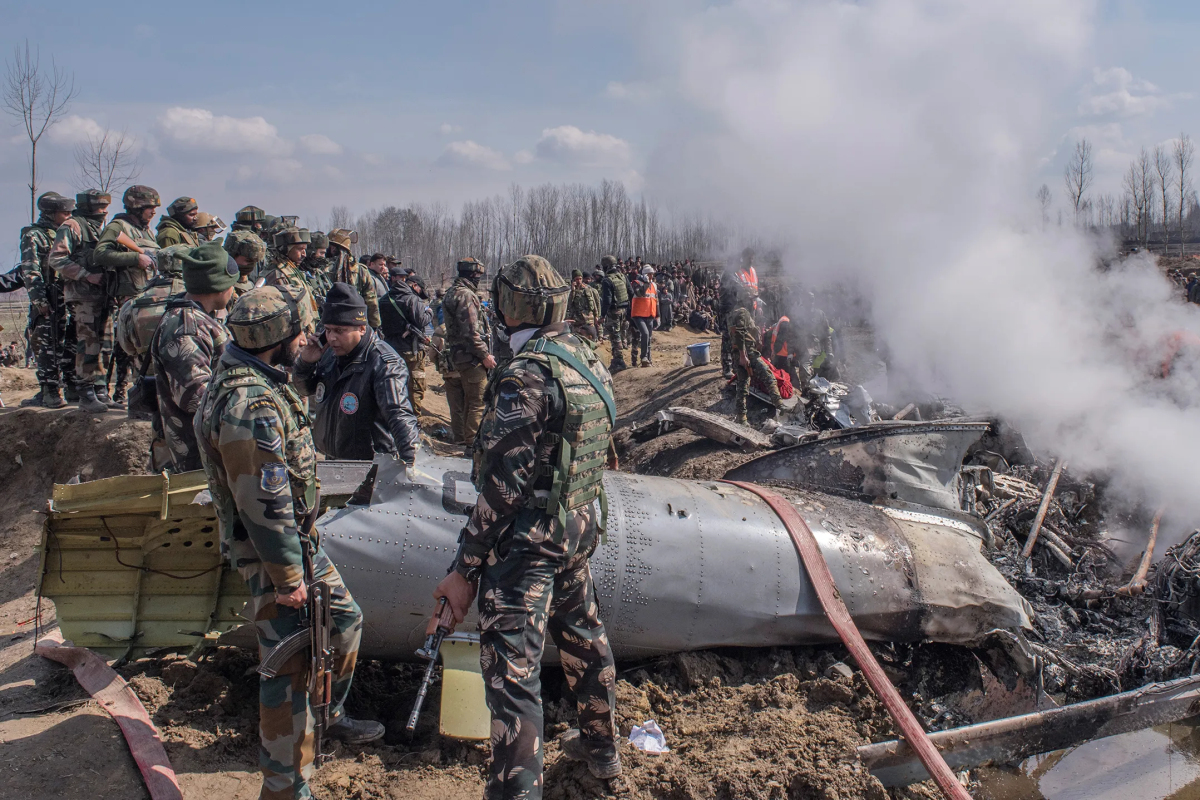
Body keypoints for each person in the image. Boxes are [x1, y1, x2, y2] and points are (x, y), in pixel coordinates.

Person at [428, 255, 621, 799]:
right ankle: (603, 751)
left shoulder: (525, 374)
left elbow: (504, 488)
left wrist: (466, 566)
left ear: (511, 307)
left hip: (528, 546)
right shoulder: (586, 357)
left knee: (513, 680)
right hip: (576, 529)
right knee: (584, 640)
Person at [195, 284, 383, 800]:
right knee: (289, 668)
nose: (307, 339)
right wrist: (287, 579)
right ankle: (284, 786)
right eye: (299, 332)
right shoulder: (248, 404)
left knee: (344, 622)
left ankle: (328, 714)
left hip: (297, 546)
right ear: (275, 340)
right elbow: (262, 500)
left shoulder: (258, 380)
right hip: (274, 556)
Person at [292, 283, 420, 463]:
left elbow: (399, 415)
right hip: (332, 459)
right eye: (328, 330)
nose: (332, 337)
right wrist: (306, 362)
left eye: (340, 331)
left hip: (370, 465)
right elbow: (304, 390)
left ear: (361, 328)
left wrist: (411, 464)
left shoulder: (384, 364)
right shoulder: (329, 354)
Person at [150, 243, 238, 472]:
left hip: (209, 452)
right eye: (231, 284)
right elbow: (196, 399)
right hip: (198, 460)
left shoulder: (198, 319)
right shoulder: (187, 329)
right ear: (219, 287)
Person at [93, 185, 161, 408]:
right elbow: (100, 253)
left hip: (146, 295)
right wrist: (134, 258)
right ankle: (122, 394)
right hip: (128, 298)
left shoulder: (146, 230)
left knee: (142, 350)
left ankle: (131, 394)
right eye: (149, 207)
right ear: (137, 206)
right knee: (128, 347)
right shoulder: (118, 226)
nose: (153, 212)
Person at [48, 189, 112, 412]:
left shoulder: (100, 228)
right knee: (88, 343)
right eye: (99, 206)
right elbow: (56, 258)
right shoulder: (73, 226)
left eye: (105, 206)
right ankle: (86, 393)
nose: (104, 211)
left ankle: (101, 389)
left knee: (105, 343)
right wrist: (86, 275)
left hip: (103, 295)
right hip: (83, 295)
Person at [18, 192, 78, 408]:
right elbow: (31, 270)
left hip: (71, 296)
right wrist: (40, 301)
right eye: (65, 213)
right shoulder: (34, 235)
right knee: (48, 345)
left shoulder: (69, 232)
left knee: (71, 343)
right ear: (51, 213)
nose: (69, 216)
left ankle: (73, 387)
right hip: (49, 298)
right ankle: (49, 391)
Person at [442, 257, 495, 449]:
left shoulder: (452, 292)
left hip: (461, 356)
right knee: (478, 402)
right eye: (478, 275)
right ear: (473, 274)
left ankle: (465, 440)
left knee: (468, 401)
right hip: (471, 357)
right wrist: (485, 355)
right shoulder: (465, 295)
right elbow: (471, 332)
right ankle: (472, 445)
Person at [378, 265, 433, 412]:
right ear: (414, 285)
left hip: (390, 348)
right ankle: (413, 417)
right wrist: (429, 312)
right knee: (415, 385)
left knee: (393, 383)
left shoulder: (384, 299)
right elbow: (421, 320)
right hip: (411, 350)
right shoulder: (412, 299)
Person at [727, 293, 781, 425]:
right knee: (768, 375)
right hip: (748, 353)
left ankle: (742, 418)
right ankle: (780, 406)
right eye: (752, 300)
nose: (754, 303)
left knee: (742, 385)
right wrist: (743, 356)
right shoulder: (743, 312)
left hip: (739, 352)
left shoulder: (734, 312)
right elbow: (739, 333)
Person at [259, 227, 320, 325]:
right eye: (300, 249)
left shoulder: (293, 270)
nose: (304, 254)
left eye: (305, 249)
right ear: (285, 249)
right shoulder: (277, 274)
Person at [325, 229, 380, 328]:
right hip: (355, 322)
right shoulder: (361, 270)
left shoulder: (323, 269)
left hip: (329, 324)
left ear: (332, 248)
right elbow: (371, 301)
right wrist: (375, 325)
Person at [599, 255, 631, 372]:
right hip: (624, 310)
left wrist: (602, 315)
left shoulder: (607, 280)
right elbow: (631, 292)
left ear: (605, 267)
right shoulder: (623, 277)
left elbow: (607, 300)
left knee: (615, 336)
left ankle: (619, 361)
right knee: (620, 335)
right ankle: (617, 359)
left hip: (614, 312)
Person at [629, 265, 658, 367]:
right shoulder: (636, 283)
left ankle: (648, 360)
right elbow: (640, 294)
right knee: (645, 334)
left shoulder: (654, 285)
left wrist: (658, 315)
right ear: (645, 274)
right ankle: (644, 357)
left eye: (652, 274)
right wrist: (645, 283)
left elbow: (656, 300)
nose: (651, 276)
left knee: (649, 337)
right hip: (638, 314)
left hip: (650, 314)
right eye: (649, 274)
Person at [567, 268, 600, 341]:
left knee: (591, 338)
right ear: (573, 280)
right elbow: (569, 304)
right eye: (576, 279)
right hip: (577, 321)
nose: (579, 281)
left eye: (580, 279)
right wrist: (573, 291)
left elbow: (593, 303)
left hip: (588, 319)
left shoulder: (587, 289)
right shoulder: (570, 290)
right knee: (577, 340)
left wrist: (596, 315)